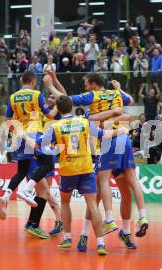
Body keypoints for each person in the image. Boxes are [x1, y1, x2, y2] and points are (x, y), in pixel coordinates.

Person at [45, 73, 149, 239]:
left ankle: (108, 219)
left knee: (102, 183)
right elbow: (131, 101)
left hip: (108, 139)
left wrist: (51, 85)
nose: (85, 86)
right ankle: (141, 216)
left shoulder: (93, 96)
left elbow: (66, 100)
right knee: (130, 184)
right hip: (125, 140)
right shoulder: (116, 93)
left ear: (93, 84)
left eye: (86, 83)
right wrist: (118, 92)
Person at [39, 95, 108, 255]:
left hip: (68, 169)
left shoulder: (56, 126)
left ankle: (67, 237)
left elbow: (42, 145)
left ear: (59, 109)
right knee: (92, 205)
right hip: (85, 167)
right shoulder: (84, 122)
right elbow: (103, 135)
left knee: (65, 202)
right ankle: (100, 243)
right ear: (71, 107)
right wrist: (121, 131)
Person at [0, 71, 58, 228]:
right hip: (36, 135)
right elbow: (50, 115)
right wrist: (59, 105)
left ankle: (6, 195)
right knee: (49, 165)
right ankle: (27, 191)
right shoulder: (37, 94)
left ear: (21, 80)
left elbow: (7, 122)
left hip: (20, 137)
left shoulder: (13, 97)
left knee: (21, 171)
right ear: (34, 81)